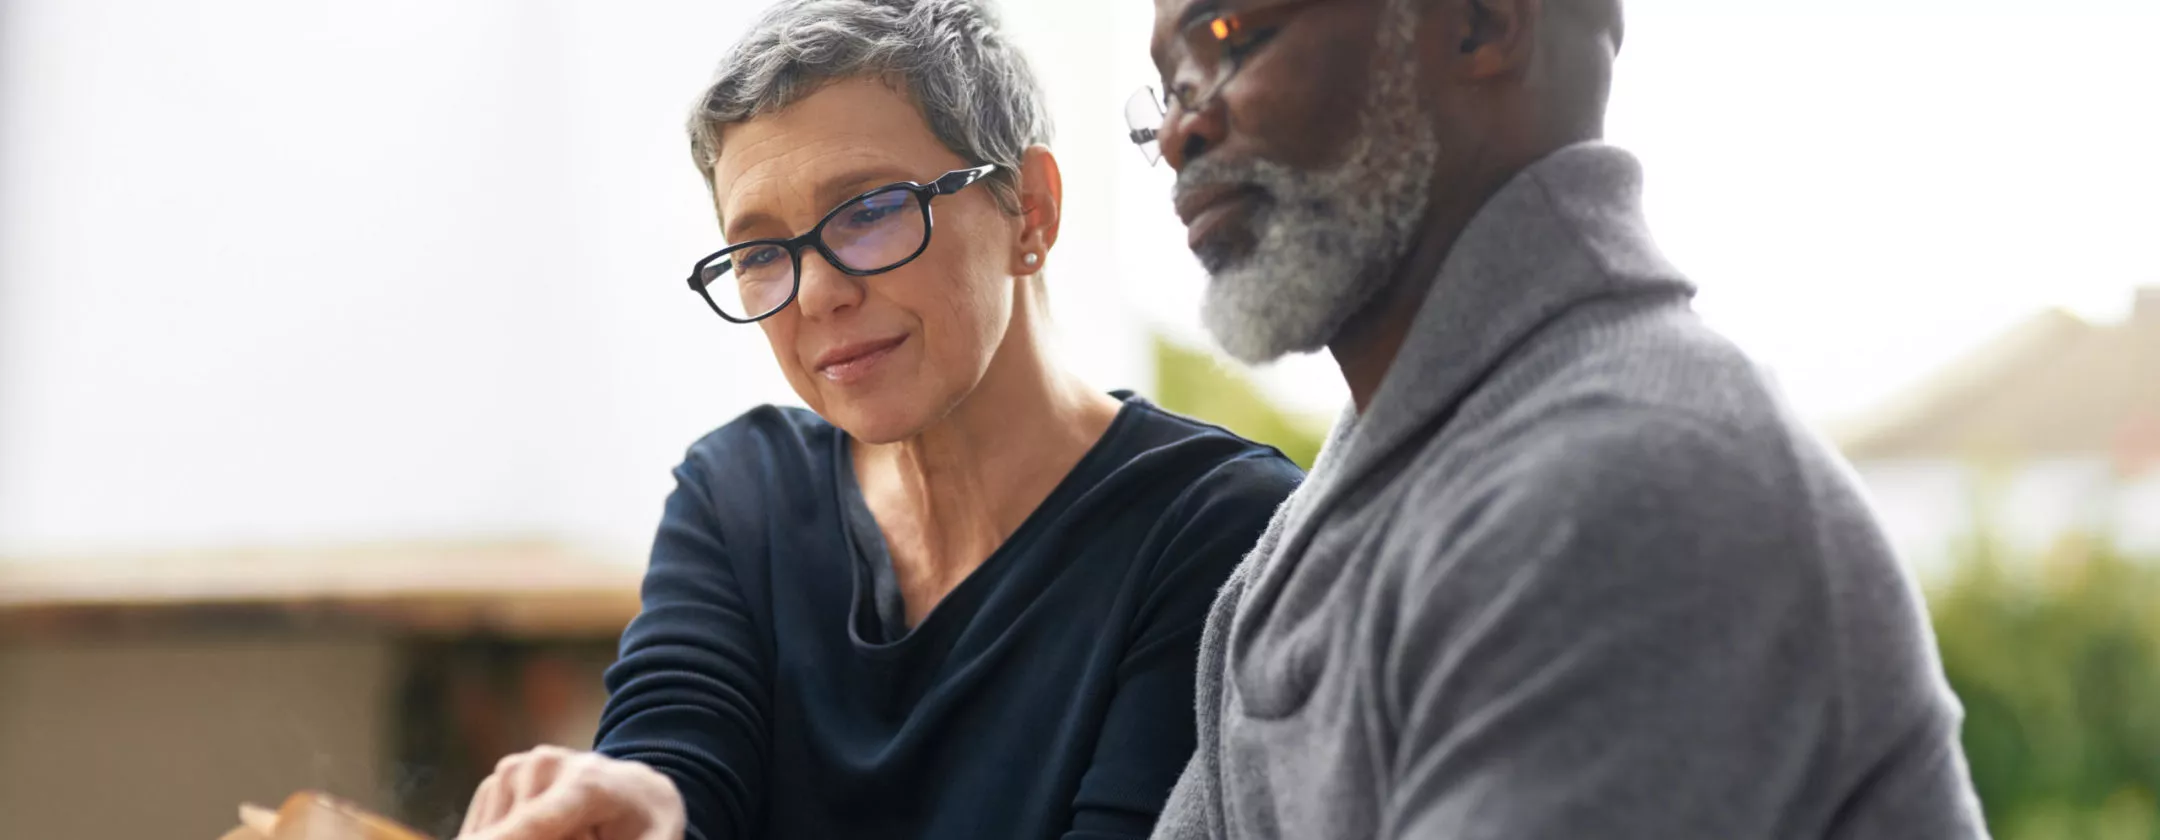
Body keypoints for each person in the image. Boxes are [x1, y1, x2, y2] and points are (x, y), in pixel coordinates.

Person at [1132, 0, 1991, 838]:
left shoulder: (1633, 482)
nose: (1181, 135)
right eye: (1171, 90)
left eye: (1232, 40)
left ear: (1482, 23)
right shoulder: (1304, 544)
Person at [454, 2, 1301, 839]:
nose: (818, 292)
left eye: (867, 211)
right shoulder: (741, 497)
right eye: (758, 253)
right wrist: (637, 811)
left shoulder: (1217, 528)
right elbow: (671, 768)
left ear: (1030, 211)